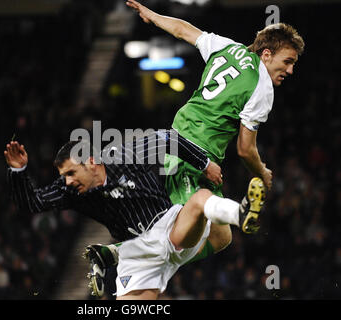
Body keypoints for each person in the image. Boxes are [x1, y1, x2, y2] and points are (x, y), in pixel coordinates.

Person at [84, 0, 305, 297]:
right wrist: (263, 172)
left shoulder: (229, 48)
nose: (290, 70)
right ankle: (117, 256)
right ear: (267, 54)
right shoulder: (263, 87)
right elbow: (245, 149)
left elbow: (184, 30)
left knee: (221, 235)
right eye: (287, 61)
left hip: (182, 140)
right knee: (185, 233)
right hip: (191, 153)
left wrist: (153, 15)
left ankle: (117, 254)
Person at [4, 131, 265, 300]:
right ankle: (115, 254)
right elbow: (33, 202)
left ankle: (241, 213)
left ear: (92, 162)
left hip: (169, 227)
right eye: (63, 176)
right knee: (220, 237)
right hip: (140, 256)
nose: (67, 181)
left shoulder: (124, 156)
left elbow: (168, 138)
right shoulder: (71, 191)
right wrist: (19, 171)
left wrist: (204, 164)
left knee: (200, 201)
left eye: (71, 173)